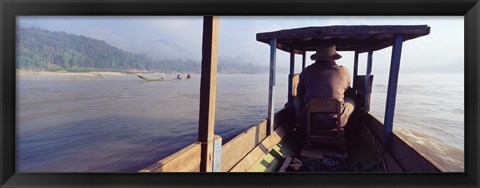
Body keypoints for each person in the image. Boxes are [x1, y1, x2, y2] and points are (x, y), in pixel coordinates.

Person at [295, 43, 356, 131]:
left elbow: (300, 91)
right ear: (334, 57)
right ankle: (352, 125)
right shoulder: (343, 71)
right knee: (351, 100)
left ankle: (298, 120)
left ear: (317, 57)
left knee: (296, 99)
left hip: (310, 120)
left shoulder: (307, 70)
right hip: (337, 121)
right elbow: (347, 89)